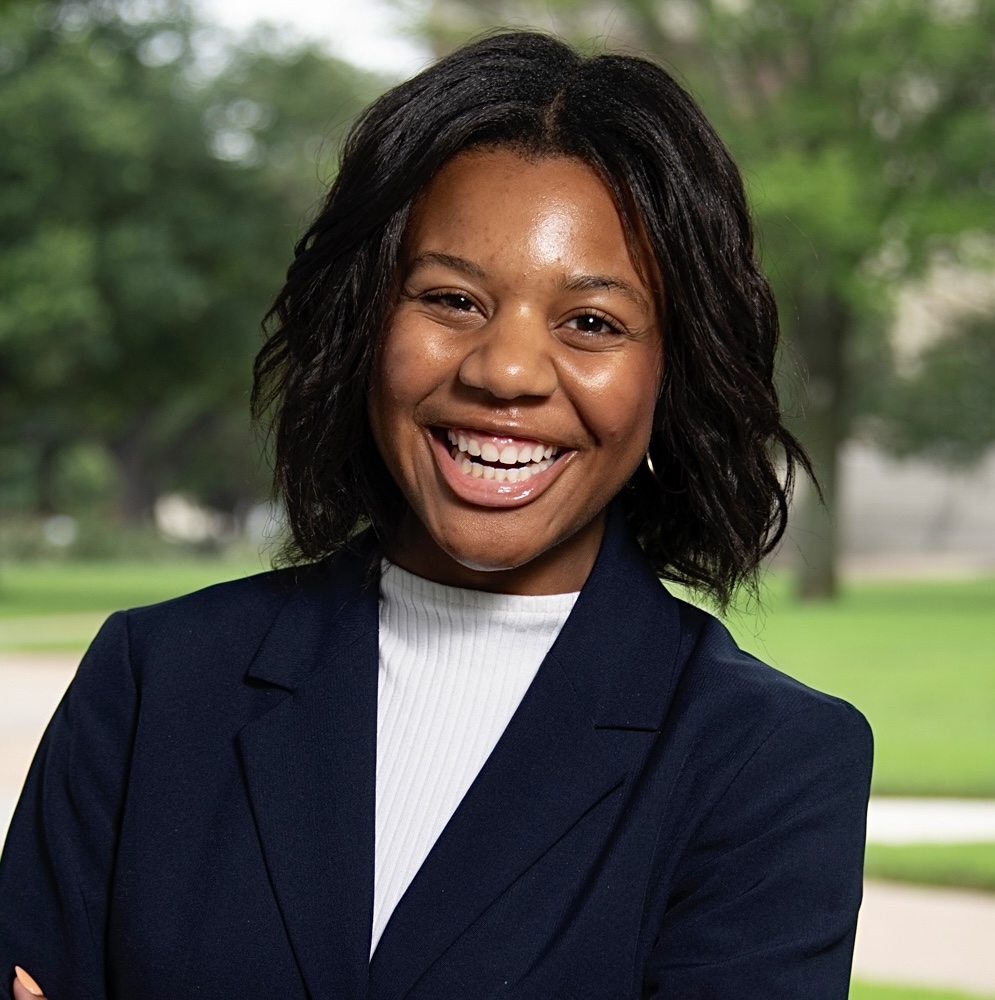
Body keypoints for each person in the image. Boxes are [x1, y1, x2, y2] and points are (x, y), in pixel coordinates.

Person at [0, 30, 872, 1000]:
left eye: (590, 322)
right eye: (450, 299)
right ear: (366, 322)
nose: (502, 371)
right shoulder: (155, 683)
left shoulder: (766, 761)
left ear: (670, 373)